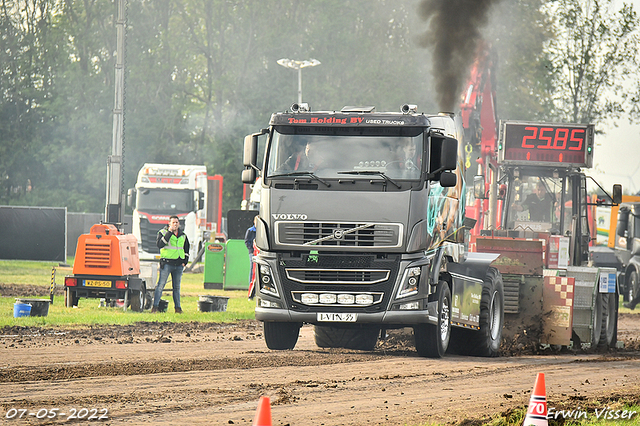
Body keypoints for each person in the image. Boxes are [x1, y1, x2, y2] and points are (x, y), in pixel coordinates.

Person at [151, 215, 189, 313]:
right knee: (161, 286)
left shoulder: (183, 235)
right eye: (173, 223)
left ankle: (178, 308)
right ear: (169, 224)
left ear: (179, 224)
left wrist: (185, 261)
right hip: (167, 263)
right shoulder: (163, 233)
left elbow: (186, 249)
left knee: (176, 287)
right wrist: (169, 233)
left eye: (177, 222)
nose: (175, 224)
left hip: (179, 265)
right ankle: (155, 307)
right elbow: (160, 244)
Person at [245, 215, 258, 299]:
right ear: (254, 222)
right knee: (252, 269)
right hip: (253, 252)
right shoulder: (250, 231)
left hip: (259, 252)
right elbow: (247, 241)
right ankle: (251, 284)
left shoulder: (261, 231)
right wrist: (251, 249)